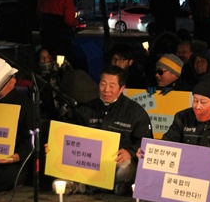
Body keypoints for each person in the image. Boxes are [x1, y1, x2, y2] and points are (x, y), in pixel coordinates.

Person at [60, 65, 153, 195]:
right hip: (89, 161)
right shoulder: (86, 109)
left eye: (112, 85)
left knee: (126, 169)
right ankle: (109, 188)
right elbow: (72, 134)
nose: (106, 90)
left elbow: (146, 143)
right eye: (103, 84)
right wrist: (57, 146)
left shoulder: (135, 112)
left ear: (122, 88)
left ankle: (85, 187)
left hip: (117, 162)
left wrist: (130, 152)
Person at [37, 0, 80, 66]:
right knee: (64, 63)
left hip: (46, 34)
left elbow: (38, 13)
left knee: (47, 62)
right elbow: (69, 20)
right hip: (61, 36)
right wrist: (78, 22)